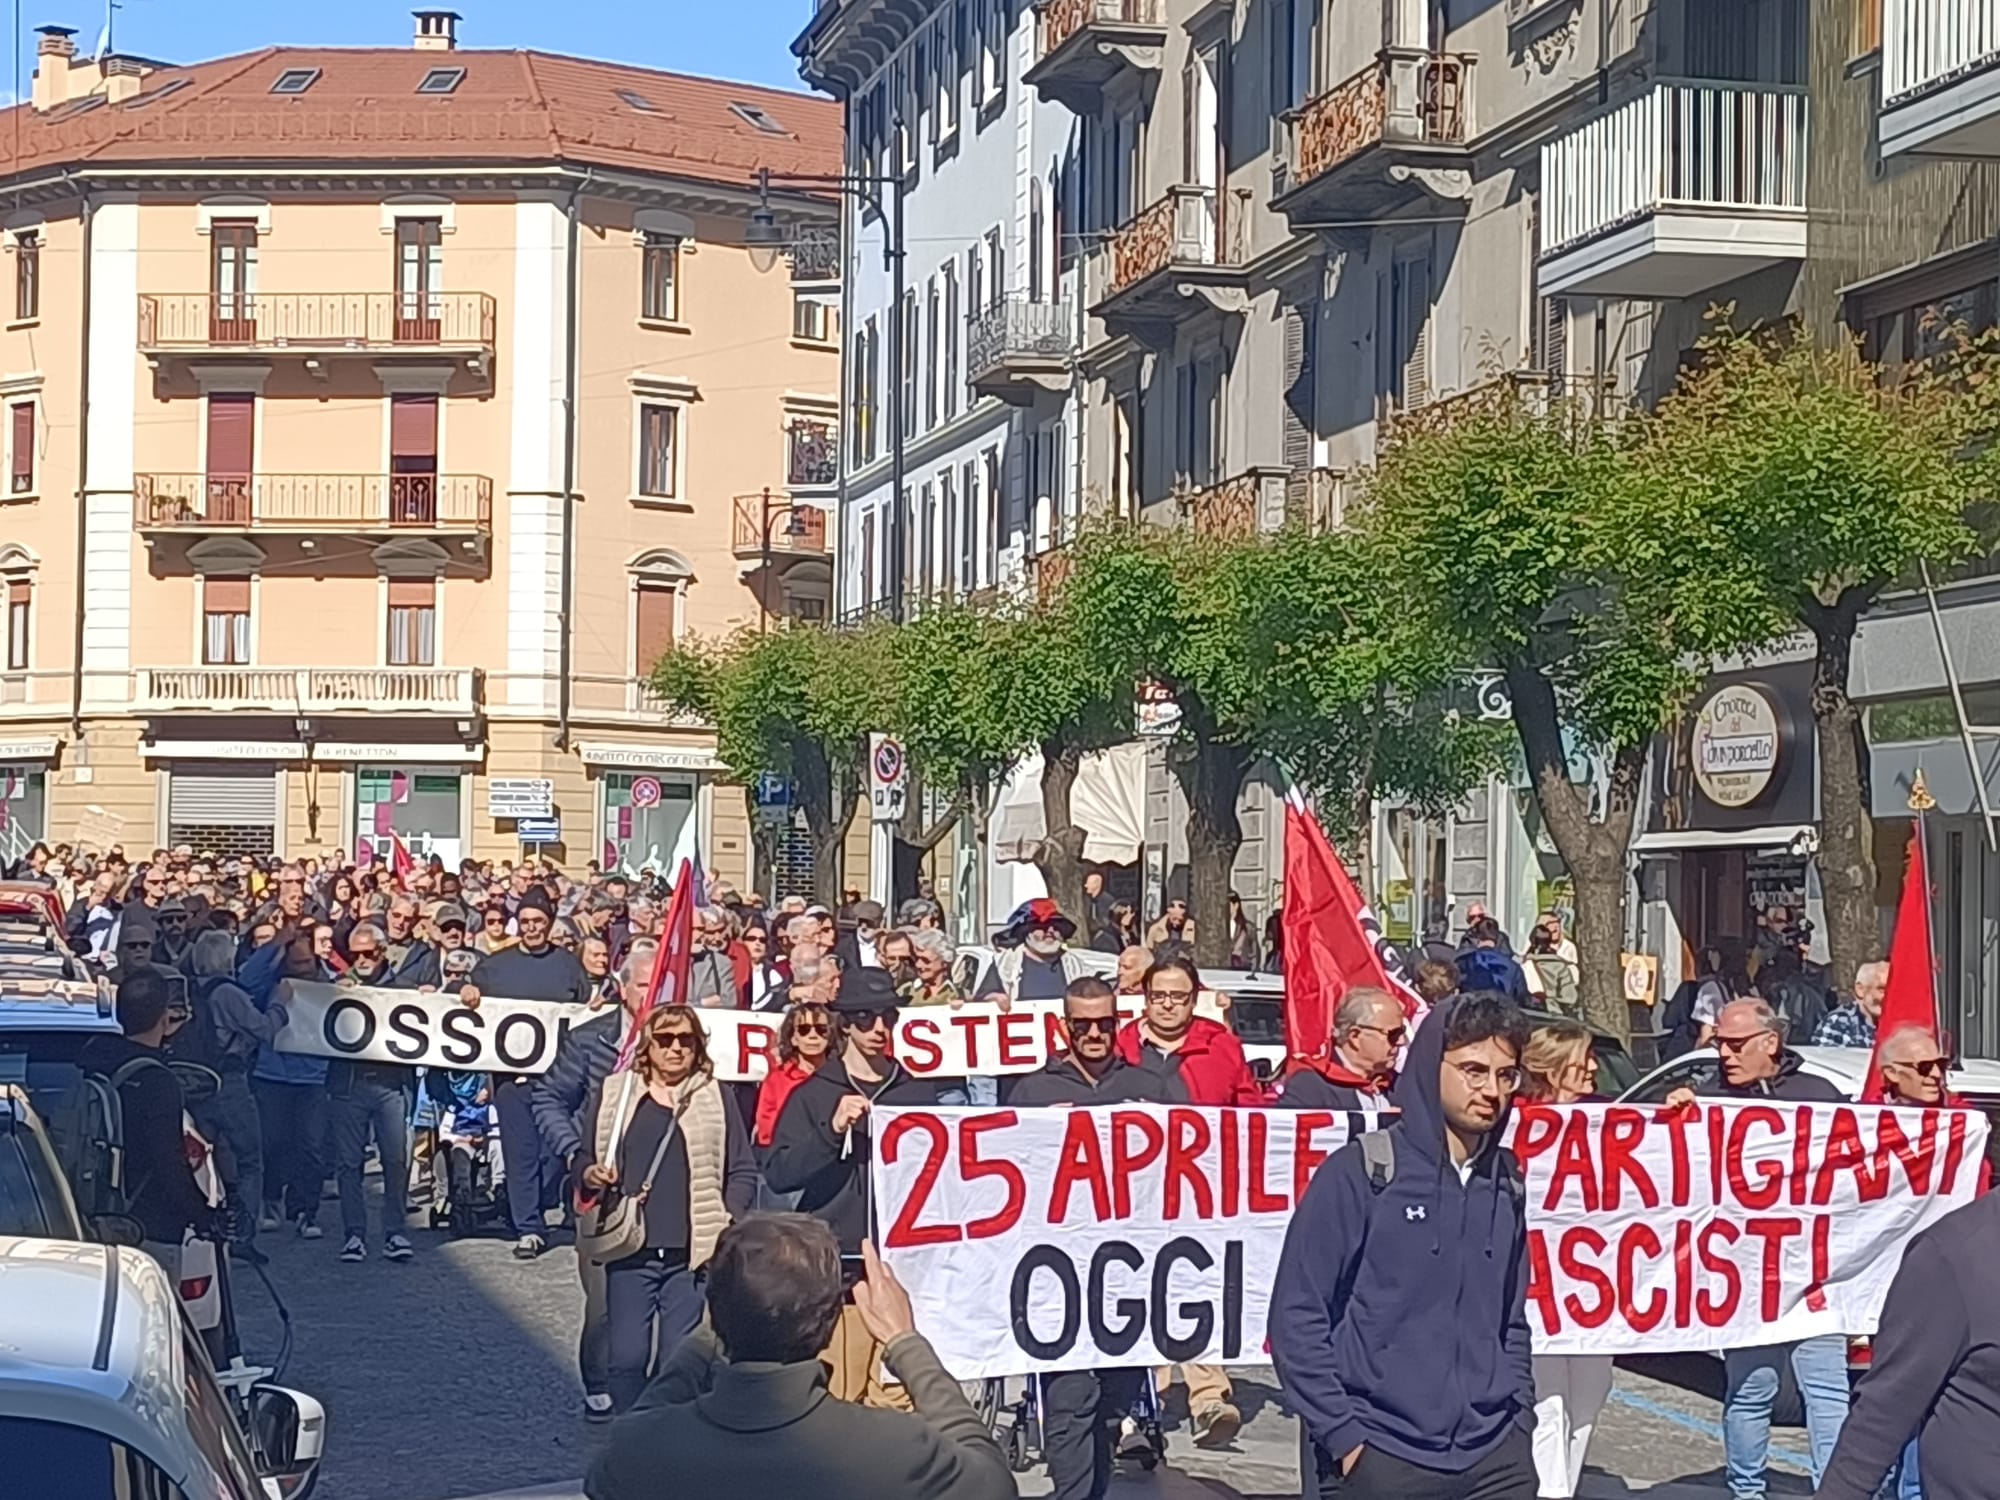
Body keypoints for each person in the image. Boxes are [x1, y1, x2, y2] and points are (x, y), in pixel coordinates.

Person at [1272, 994, 1537, 1500]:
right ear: (1427, 1065)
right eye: (1473, 1070)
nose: (1491, 1090)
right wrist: (1346, 1438)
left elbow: (1510, 1319)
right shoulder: (1361, 1173)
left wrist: (1518, 1419)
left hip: (1495, 1457)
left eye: (1506, 1075)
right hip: (1382, 1455)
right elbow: (1296, 1317)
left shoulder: (1507, 1183)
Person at [584, 1222, 1014, 1500]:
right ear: (830, 1326)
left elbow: (629, 1438)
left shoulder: (642, 1448)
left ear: (714, 1309)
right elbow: (993, 1481)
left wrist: (706, 1333)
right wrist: (904, 1340)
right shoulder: (894, 1447)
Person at [1664, 998, 1849, 1496]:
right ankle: (1746, 1492)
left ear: (1771, 1042)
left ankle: (1833, 1491)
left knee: (1827, 1392)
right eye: (1719, 1041)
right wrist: (1675, 1118)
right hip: (1746, 1276)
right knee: (1750, 1390)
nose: (1723, 1052)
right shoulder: (1707, 1100)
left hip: (1814, 1273)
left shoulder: (1822, 1096)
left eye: (1735, 1043)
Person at [1012, 977, 1184, 1499]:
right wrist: (1042, 1133)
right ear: (1064, 1027)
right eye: (1081, 1024)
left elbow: (1190, 1165)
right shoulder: (1030, 1091)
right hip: (1056, 1275)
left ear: (1117, 1023)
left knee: (1112, 1403)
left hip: (1128, 1276)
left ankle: (1095, 1488)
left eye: (1103, 1024)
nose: (1093, 1034)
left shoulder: (1151, 1088)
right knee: (1069, 1401)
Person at [1816, 1032, 1985, 1500]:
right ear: (1891, 1074)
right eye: (1924, 1067)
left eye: (1941, 1065)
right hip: (1882, 1288)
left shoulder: (1964, 1125)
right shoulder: (1856, 1129)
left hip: (1954, 1298)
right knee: (1885, 1406)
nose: (1937, 1075)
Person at [764, 966, 938, 1409]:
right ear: (845, 1023)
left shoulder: (916, 1093)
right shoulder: (812, 1094)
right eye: (865, 1018)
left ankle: (892, 1478)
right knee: (841, 1393)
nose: (879, 1028)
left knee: (899, 1400)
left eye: (888, 1018)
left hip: (904, 1264)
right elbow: (780, 1171)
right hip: (840, 1266)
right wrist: (831, 1129)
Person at [576, 1008, 758, 1413]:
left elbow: (742, 1167)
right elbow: (584, 1156)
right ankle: (628, 1443)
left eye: (686, 1039)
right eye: (665, 1039)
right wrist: (589, 1174)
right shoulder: (617, 1093)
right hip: (629, 1248)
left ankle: (670, 1447)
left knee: (680, 1361)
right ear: (648, 1045)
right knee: (625, 1358)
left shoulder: (715, 1095)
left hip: (691, 1256)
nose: (676, 1047)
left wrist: (729, 1214)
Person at [1114, 955, 1254, 1446]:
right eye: (1158, 996)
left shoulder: (1222, 1048)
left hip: (1200, 1192)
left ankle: (1208, 1398)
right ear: (1145, 998)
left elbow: (1249, 1110)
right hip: (1128, 1192)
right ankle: (1143, 1396)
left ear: (1194, 1000)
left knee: (1193, 1286)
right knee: (1135, 1286)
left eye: (1178, 996)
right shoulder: (1118, 1044)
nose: (1168, 1005)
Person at [531, 938, 658, 1423]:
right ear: (623, 989)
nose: (654, 996)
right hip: (601, 1194)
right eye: (646, 986)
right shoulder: (590, 1040)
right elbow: (549, 1100)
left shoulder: (684, 1039)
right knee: (606, 1302)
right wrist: (574, 1155)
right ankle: (599, 1383)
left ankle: (655, 1391)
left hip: (662, 1189)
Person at [462, 886, 592, 1258]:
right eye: (527, 921)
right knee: (519, 1152)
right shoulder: (495, 965)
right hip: (511, 1077)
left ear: (550, 924)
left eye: (540, 921)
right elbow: (460, 992)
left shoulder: (569, 964)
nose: (533, 928)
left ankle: (541, 1201)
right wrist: (466, 989)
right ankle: (529, 1227)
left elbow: (586, 1011)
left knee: (554, 1151)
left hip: (559, 1077)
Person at [1516, 1021, 1612, 1499]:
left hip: (1594, 1290)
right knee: (1547, 1401)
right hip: (1535, 1288)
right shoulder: (1513, 1122)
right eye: (1584, 1059)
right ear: (1554, 1069)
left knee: (1590, 1398)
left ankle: (1564, 1487)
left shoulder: (1604, 1124)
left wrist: (1677, 1112)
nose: (1594, 1067)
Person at [83, 968, 223, 1278]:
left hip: (88, 1210)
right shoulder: (158, 1080)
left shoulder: (91, 1059)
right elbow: (168, 1159)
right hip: (149, 1222)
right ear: (164, 1017)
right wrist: (201, 1213)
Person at [179, 930, 287, 1262]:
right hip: (230, 1081)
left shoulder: (189, 989)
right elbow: (264, 1029)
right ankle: (243, 1235)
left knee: (198, 1160)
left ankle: (203, 1225)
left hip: (197, 1081)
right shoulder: (228, 993)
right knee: (250, 1159)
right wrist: (281, 1006)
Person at [328, 923, 417, 1264]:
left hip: (391, 1085)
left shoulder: (404, 989)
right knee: (349, 1164)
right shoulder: (337, 987)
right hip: (348, 1085)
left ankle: (395, 1231)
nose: (362, 959)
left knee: (395, 1161)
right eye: (356, 953)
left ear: (382, 951)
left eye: (369, 953)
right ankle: (354, 1233)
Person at [1276, 987, 1403, 1113]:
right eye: (1393, 1035)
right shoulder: (1310, 1086)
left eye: (1402, 1033)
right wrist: (1388, 1125)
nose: (1401, 1041)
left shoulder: (1400, 1084)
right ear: (1355, 1036)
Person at [977, 898, 1088, 1005]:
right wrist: (994, 998)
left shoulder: (1075, 966)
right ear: (1026, 932)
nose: (1050, 931)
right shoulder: (1004, 964)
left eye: (1056, 927)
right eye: (1042, 926)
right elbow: (982, 999)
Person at [754, 1001, 833, 1149]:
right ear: (793, 1038)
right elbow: (766, 1132)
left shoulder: (840, 1078)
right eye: (804, 1030)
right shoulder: (776, 1079)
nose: (813, 1036)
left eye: (821, 1029)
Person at [1814, 959, 1889, 1048]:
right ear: (1860, 989)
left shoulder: (1899, 1025)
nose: (1890, 996)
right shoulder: (1838, 1024)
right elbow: (1826, 1059)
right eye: (1882, 989)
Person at [1457, 918, 1531, 1005]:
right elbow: (1522, 999)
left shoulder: (1464, 963)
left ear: (1477, 936)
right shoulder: (1513, 967)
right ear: (1497, 936)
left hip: (1471, 1014)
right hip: (1504, 1014)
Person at [1521, 919, 1579, 1019]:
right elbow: (1570, 998)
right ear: (1549, 942)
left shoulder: (1525, 965)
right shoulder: (1561, 967)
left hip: (1529, 1015)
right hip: (1555, 1016)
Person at [688, 906, 742, 1008]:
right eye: (691, 929)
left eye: (700, 929)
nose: (697, 935)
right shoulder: (669, 963)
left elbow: (730, 1002)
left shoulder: (721, 963)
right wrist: (701, 1003)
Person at [900, 929, 962, 1007]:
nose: (918, 965)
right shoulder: (905, 991)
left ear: (944, 963)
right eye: (916, 959)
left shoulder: (959, 994)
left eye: (926, 961)